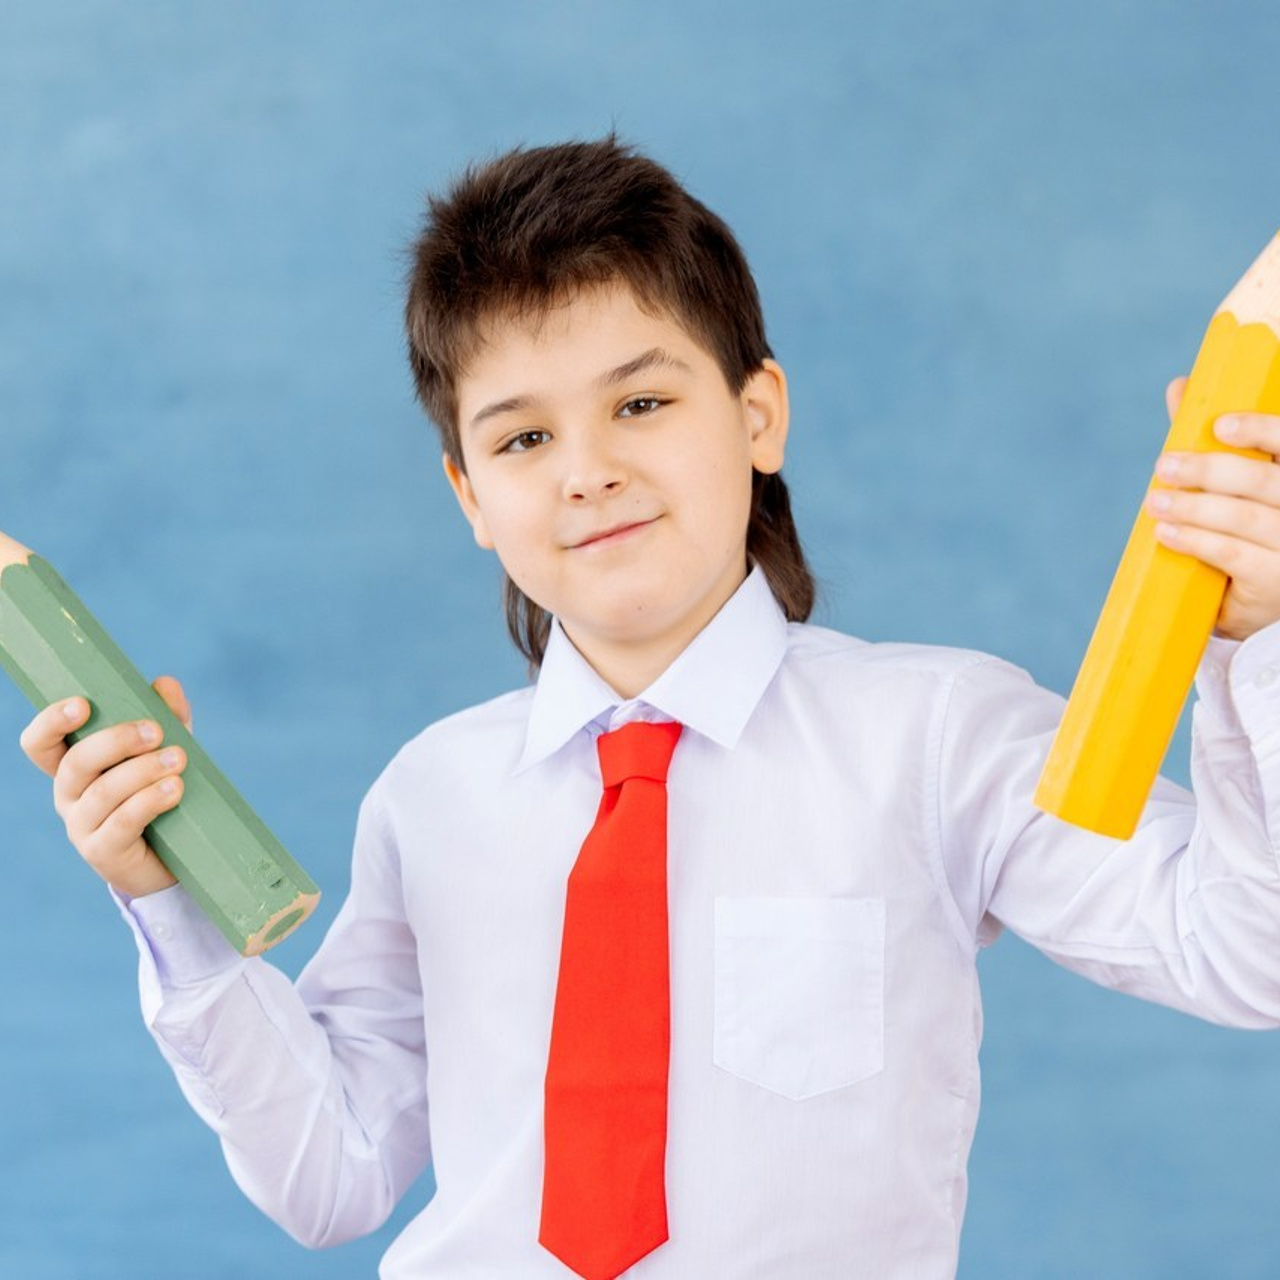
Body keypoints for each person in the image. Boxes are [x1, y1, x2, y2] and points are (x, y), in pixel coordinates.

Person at [18, 136, 1280, 1279]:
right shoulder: (430, 794)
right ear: (466, 495)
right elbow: (328, 1176)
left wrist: (1259, 641)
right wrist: (164, 896)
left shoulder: (938, 736)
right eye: (520, 441)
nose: (588, 472)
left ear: (756, 412)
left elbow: (1242, 951)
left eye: (640, 402)